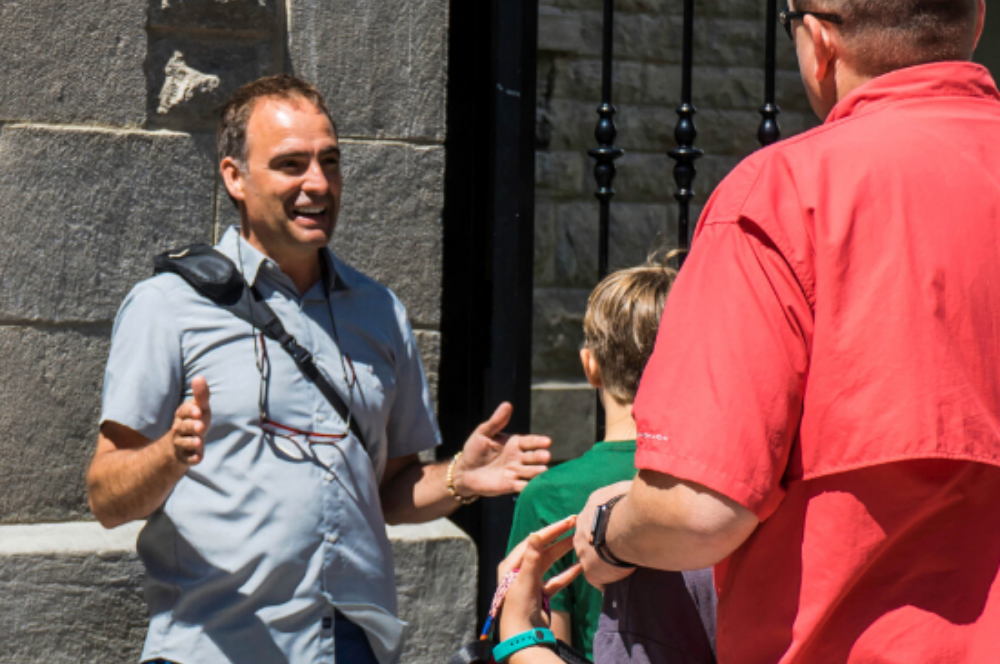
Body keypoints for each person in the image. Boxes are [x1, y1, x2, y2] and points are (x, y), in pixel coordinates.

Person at [573, 1, 1000, 662]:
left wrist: (608, 529)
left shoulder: (783, 195)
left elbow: (697, 510)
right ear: (973, 24)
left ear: (821, 43)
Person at [86, 75, 551, 664]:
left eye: (329, 161)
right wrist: (169, 455)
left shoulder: (380, 311)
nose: (318, 184)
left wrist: (461, 476)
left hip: (351, 645)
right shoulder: (167, 306)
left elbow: (387, 492)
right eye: (291, 164)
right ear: (234, 176)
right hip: (215, 646)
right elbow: (106, 496)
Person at [505, 259, 715, 663]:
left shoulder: (550, 495)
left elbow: (552, 644)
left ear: (591, 366)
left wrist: (515, 635)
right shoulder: (713, 488)